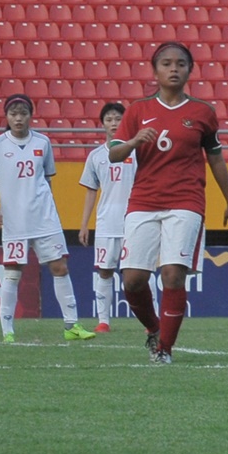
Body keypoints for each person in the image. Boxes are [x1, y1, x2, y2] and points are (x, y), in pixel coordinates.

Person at [109, 41, 228, 364]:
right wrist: (134, 141)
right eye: (166, 63)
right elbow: (113, 154)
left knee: (172, 274)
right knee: (133, 281)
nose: (173, 69)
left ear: (189, 70)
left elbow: (216, 160)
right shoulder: (138, 110)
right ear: (154, 71)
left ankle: (164, 350)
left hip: (186, 201)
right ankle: (155, 329)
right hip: (143, 201)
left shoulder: (202, 112)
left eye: (180, 64)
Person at [0, 93, 97, 343]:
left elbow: (47, 179)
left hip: (44, 218)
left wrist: (50, 208)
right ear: (7, 117)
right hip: (14, 221)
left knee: (60, 267)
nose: (18, 118)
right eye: (13, 114)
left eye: (23, 113)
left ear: (31, 116)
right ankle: (7, 331)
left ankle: (71, 326)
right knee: (12, 272)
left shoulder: (43, 142)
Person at [79, 102, 137, 333]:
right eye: (109, 119)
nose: (114, 123)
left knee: (138, 272)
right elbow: (91, 190)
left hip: (134, 221)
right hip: (106, 223)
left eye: (118, 119)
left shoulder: (137, 151)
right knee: (104, 272)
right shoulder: (95, 157)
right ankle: (104, 321)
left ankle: (149, 319)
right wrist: (84, 224)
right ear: (102, 124)